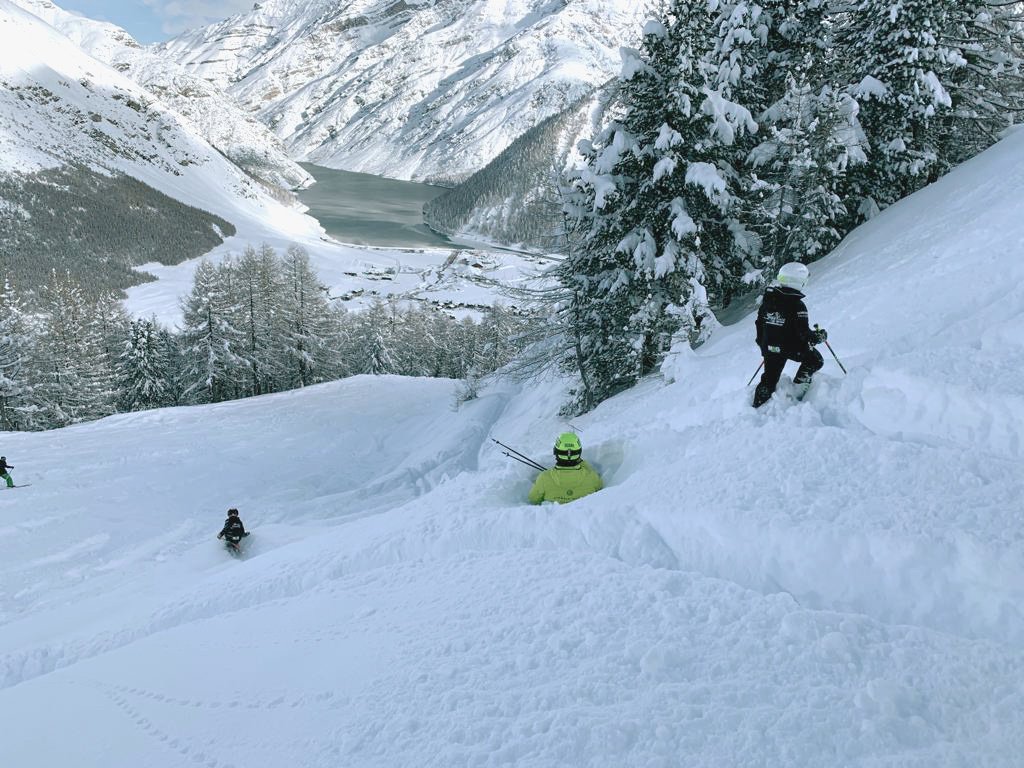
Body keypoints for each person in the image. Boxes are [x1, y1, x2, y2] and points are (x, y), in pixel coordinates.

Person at [752, 262, 828, 408]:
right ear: (798, 281)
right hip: (790, 348)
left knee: (769, 379)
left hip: (770, 347)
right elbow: (803, 333)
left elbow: (759, 325)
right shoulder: (797, 305)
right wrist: (817, 337)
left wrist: (764, 345)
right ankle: (797, 393)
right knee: (815, 360)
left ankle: (757, 407)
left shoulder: (768, 300)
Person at [528, 433, 603, 504]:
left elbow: (533, 499)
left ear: (555, 452)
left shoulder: (543, 478)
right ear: (579, 453)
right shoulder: (592, 477)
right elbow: (599, 488)